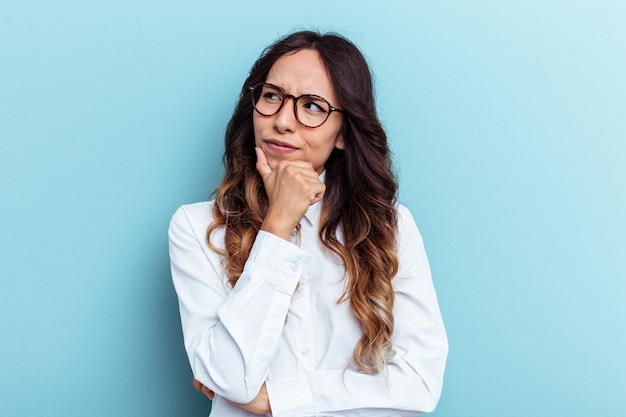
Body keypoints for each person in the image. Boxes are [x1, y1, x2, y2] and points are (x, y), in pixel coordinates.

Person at [168, 30, 448, 417]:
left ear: (344, 134)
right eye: (271, 97)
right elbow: (230, 378)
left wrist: (276, 400)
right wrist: (278, 223)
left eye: (313, 106)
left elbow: (419, 382)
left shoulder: (390, 226)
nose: (283, 121)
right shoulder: (196, 228)